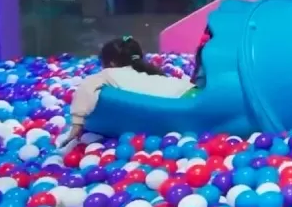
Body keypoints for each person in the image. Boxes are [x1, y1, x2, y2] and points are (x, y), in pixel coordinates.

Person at [58, 36, 196, 146]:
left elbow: (87, 88)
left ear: (110, 63)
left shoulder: (108, 73)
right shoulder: (148, 74)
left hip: (181, 104)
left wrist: (77, 123)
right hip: (190, 92)